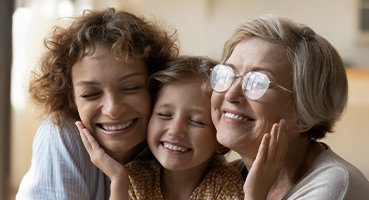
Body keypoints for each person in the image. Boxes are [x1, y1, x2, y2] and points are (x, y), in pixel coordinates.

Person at [16, 8, 178, 199]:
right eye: (90, 94)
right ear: (71, 99)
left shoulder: (171, 139)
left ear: (154, 87)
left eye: (130, 88)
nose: (113, 109)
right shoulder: (63, 135)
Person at [76, 55, 289, 200]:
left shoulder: (224, 184)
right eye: (164, 115)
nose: (175, 130)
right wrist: (118, 180)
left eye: (196, 121)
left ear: (220, 140)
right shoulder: (135, 178)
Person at [210, 14, 369, 199]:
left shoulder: (334, 187)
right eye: (227, 74)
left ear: (304, 115)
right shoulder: (230, 177)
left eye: (258, 83)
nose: (230, 94)